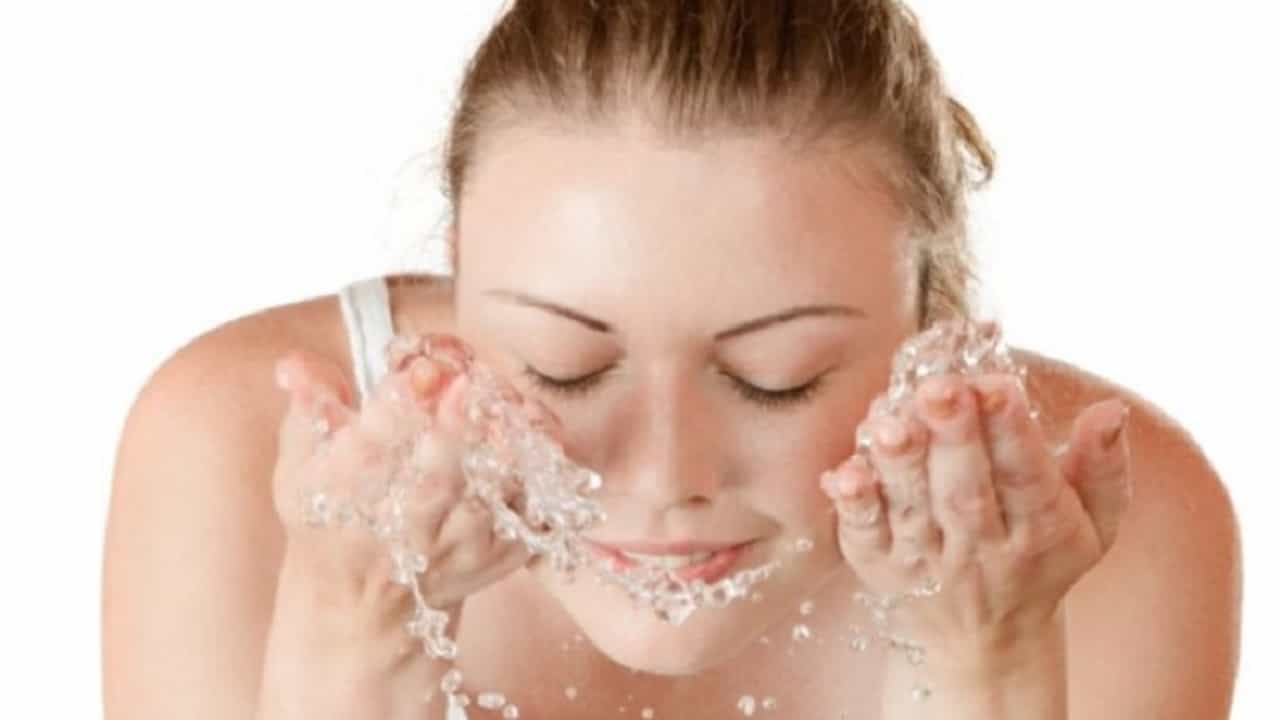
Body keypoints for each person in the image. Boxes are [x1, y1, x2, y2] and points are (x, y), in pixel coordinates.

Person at [101, 1, 1241, 718]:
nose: (660, 476)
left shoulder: (1098, 536)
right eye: (560, 365)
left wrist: (986, 661)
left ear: (928, 322)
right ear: (463, 275)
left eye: (774, 378)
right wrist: (352, 631)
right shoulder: (238, 446)